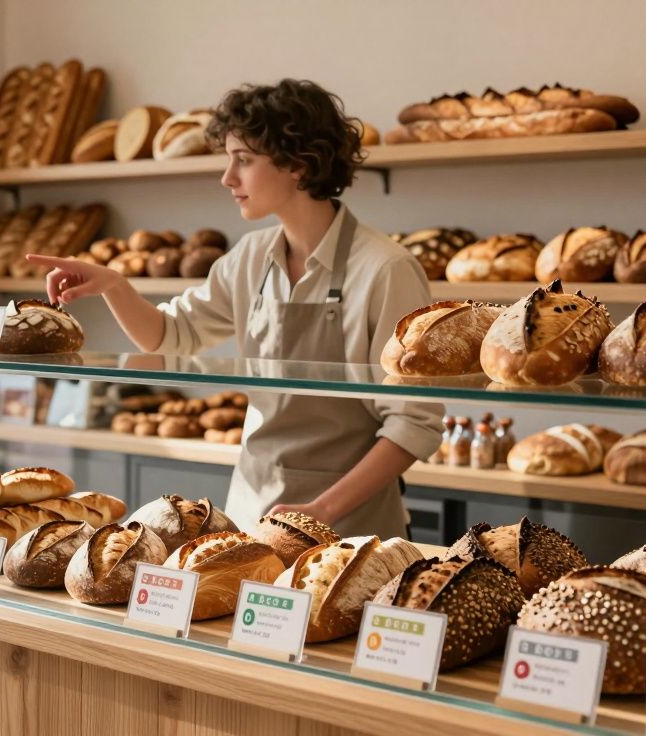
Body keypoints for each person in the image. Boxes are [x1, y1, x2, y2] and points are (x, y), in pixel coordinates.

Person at [28, 79, 443, 538]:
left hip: (350, 527)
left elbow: (414, 423)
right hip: (252, 514)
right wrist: (114, 285)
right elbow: (170, 336)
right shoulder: (250, 257)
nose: (228, 177)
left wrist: (321, 510)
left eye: (243, 160)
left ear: (298, 163)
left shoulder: (386, 269)